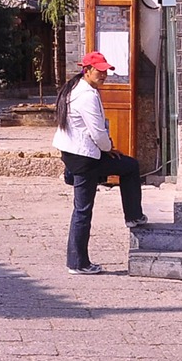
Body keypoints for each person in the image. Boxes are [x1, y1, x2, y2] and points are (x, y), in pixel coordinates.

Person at [52, 51, 147, 275]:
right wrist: (108, 149)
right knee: (83, 209)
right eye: (100, 71)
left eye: (106, 71)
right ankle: (78, 263)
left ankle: (132, 215)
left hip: (74, 152)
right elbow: (98, 132)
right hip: (84, 156)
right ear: (87, 71)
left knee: (125, 166)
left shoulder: (78, 88)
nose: (104, 75)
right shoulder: (86, 95)